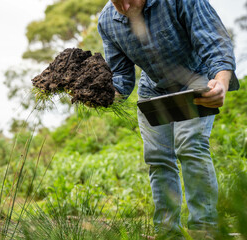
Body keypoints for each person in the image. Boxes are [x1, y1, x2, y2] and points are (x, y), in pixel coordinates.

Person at [97, 0, 239, 239]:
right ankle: (167, 232)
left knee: (190, 145)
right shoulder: (107, 21)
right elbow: (121, 75)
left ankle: (204, 229)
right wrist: (99, 94)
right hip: (154, 88)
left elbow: (214, 41)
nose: (125, 4)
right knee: (158, 157)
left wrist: (221, 82)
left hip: (196, 79)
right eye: (116, 0)